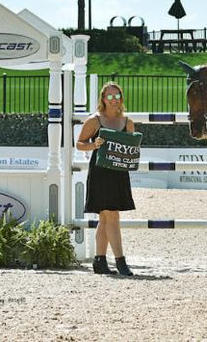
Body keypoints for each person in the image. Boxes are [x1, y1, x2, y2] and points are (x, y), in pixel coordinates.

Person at [77, 81, 136, 276]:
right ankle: (121, 262)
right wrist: (94, 145)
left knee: (105, 218)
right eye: (109, 96)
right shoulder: (94, 120)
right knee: (112, 216)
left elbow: (131, 148)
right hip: (100, 172)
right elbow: (79, 144)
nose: (113, 100)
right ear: (103, 99)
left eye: (117, 96)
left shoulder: (127, 121)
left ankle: (99, 261)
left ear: (121, 98)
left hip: (118, 172)